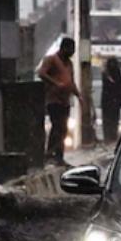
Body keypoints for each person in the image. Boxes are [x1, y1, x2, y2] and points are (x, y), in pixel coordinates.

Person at [37, 37, 83, 165]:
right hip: (53, 99)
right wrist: (56, 83)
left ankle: (59, 155)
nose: (72, 52)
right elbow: (41, 73)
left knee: (63, 129)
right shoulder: (51, 59)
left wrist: (78, 95)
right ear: (63, 48)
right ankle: (50, 153)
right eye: (70, 49)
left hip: (65, 101)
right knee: (57, 126)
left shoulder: (69, 64)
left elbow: (71, 82)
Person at [101, 57, 121, 144]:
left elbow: (120, 87)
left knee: (113, 121)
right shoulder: (106, 75)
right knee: (109, 121)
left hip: (114, 102)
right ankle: (109, 137)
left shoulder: (117, 74)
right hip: (108, 103)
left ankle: (112, 137)